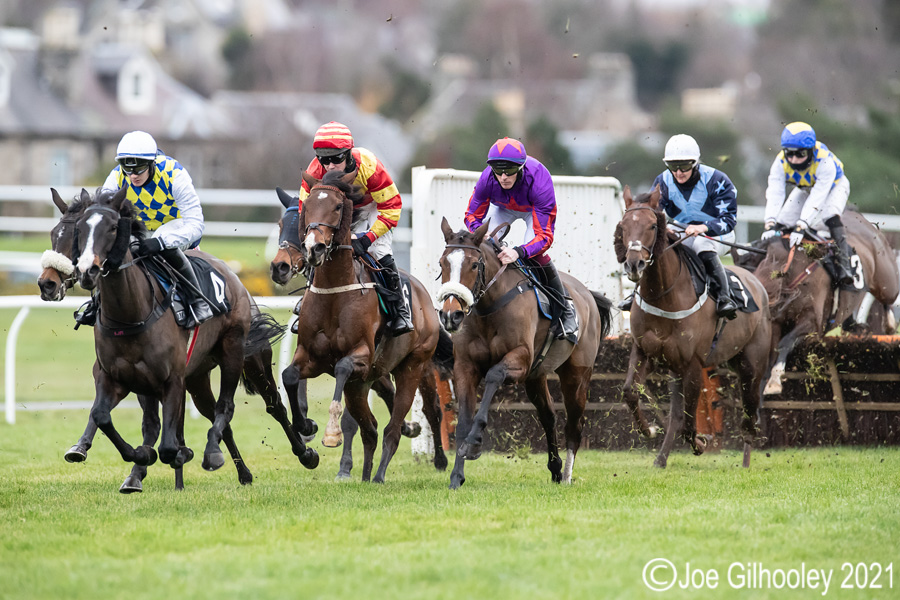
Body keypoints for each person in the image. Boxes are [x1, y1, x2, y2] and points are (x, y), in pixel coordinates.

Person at [299, 121, 413, 336]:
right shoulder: (314, 170)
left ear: (349, 154)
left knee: (379, 251)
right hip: (337, 209)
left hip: (374, 207)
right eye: (324, 159)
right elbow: (305, 209)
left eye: (336, 158)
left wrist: (367, 239)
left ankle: (400, 311)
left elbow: (392, 207)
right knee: (319, 246)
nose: (330, 166)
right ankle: (305, 301)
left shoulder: (369, 166)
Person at [463, 137, 578, 343]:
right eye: (498, 171)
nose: (503, 177)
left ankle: (565, 309)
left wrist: (519, 252)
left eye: (509, 170)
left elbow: (544, 237)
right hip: (502, 208)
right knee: (479, 246)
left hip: (532, 210)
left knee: (535, 255)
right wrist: (481, 234)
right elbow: (471, 216)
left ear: (521, 167)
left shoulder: (539, 180)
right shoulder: (487, 178)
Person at [98, 130, 212, 327]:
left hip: (177, 228)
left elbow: (196, 224)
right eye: (127, 169)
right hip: (141, 231)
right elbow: (104, 214)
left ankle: (198, 301)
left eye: (139, 168)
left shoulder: (174, 174)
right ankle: (96, 303)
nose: (133, 175)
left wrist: (162, 242)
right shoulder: (117, 176)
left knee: (161, 238)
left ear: (152, 162)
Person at [618, 134, 739, 320]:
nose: (679, 172)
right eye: (673, 166)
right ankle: (636, 294)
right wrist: (663, 229)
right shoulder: (663, 181)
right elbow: (653, 214)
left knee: (702, 245)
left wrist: (703, 227)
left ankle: (724, 297)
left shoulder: (717, 180)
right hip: (683, 229)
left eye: (684, 166)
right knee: (655, 246)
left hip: (717, 232)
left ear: (695, 163)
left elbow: (728, 221)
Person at [761, 121, 854, 285]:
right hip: (806, 188)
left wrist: (801, 225)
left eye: (800, 154)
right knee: (782, 222)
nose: (794, 160)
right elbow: (775, 192)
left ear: (810, 151)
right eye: (789, 154)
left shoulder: (824, 161)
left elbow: (817, 198)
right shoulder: (780, 162)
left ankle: (844, 265)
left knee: (830, 216)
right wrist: (770, 223)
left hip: (834, 186)